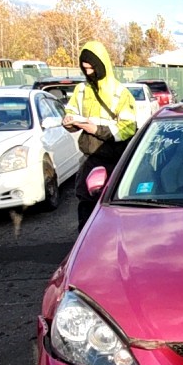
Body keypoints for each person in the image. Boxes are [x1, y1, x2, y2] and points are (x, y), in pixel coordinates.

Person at [62, 41, 137, 230]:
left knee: (115, 206)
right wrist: (69, 123)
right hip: (90, 157)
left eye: (92, 68)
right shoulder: (80, 90)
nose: (88, 73)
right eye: (84, 68)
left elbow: (128, 128)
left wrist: (96, 130)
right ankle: (85, 240)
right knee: (85, 203)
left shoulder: (120, 93)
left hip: (115, 158)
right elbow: (70, 114)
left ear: (102, 66)